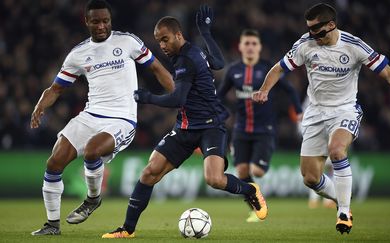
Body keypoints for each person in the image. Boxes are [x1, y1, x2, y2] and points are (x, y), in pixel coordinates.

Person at [252, 3, 390, 234]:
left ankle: (343, 211)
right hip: (315, 112)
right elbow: (279, 68)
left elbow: (388, 73)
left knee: (336, 150)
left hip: (345, 110)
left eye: (318, 30)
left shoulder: (354, 46)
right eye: (310, 29)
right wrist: (264, 90)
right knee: (310, 178)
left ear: (331, 25)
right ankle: (342, 201)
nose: (313, 35)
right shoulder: (305, 44)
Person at [101, 5, 268, 238]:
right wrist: (206, 33)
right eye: (159, 41)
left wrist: (147, 97)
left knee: (214, 179)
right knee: (149, 172)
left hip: (211, 125)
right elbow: (218, 62)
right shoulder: (193, 51)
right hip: (185, 127)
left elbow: (178, 98)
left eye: (165, 39)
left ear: (178, 35)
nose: (162, 46)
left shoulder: (186, 60)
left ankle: (250, 190)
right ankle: (127, 229)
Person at [30, 0, 174, 236]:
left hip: (122, 119)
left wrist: (179, 97)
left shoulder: (127, 42)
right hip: (91, 115)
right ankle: (52, 225)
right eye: (96, 21)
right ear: (86, 21)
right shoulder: (78, 54)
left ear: (110, 20)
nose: (101, 26)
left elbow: (157, 68)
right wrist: (39, 106)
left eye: (105, 21)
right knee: (54, 162)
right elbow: (55, 89)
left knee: (92, 150)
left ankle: (93, 199)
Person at [218, 29, 302, 222]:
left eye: (253, 44)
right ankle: (255, 205)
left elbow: (289, 89)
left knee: (256, 171)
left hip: (265, 129)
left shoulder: (267, 69)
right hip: (241, 129)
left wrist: (298, 110)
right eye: (246, 43)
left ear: (260, 47)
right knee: (241, 172)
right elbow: (219, 96)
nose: (250, 47)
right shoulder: (233, 70)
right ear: (240, 47)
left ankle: (257, 189)